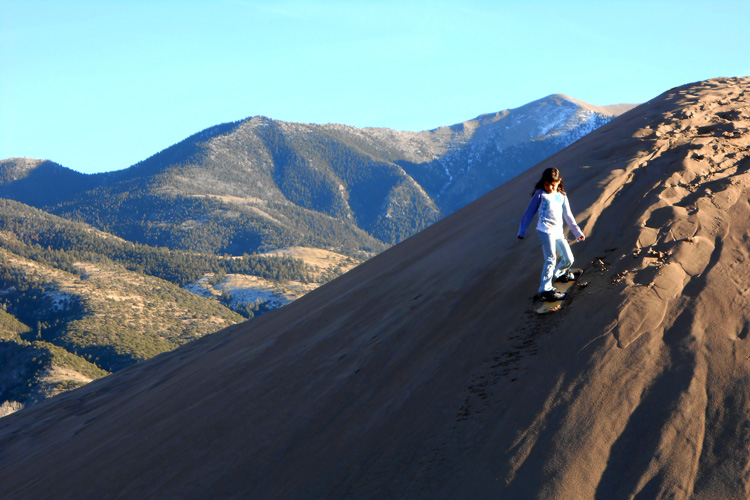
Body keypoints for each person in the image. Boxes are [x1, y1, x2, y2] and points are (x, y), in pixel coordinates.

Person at [518, 167, 585, 301]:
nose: (549, 188)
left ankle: (559, 274)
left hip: (558, 232)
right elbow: (529, 213)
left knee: (569, 259)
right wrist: (522, 231)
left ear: (559, 181)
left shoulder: (562, 196)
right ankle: (545, 289)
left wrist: (577, 232)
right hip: (545, 231)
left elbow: (568, 216)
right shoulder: (540, 194)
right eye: (547, 185)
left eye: (552, 185)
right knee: (550, 260)